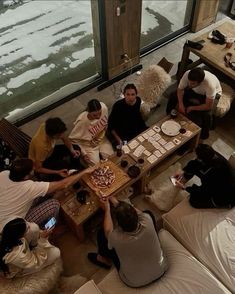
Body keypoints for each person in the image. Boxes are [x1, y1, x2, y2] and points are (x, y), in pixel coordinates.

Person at [88, 197, 168, 288]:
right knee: (148, 213)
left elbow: (107, 230)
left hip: (134, 281)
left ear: (119, 225)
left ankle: (104, 260)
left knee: (102, 235)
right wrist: (118, 204)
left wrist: (107, 209)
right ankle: (149, 239)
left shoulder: (116, 238)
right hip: (161, 269)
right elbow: (137, 212)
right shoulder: (147, 219)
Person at [0, 158, 94, 229]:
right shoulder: (29, 187)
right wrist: (84, 171)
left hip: (6, 211)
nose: (35, 169)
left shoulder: (4, 174)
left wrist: (57, 172)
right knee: (54, 204)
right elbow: (64, 185)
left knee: (45, 193)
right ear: (25, 177)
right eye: (32, 170)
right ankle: (49, 228)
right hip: (12, 227)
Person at [166, 68, 222, 140]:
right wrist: (180, 104)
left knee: (207, 114)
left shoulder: (209, 84)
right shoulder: (187, 74)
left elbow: (208, 106)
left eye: (192, 83)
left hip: (211, 95)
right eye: (189, 82)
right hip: (195, 90)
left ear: (200, 82)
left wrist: (192, 108)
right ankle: (168, 114)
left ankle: (204, 135)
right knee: (173, 95)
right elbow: (180, 89)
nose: (189, 84)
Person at [174, 144, 235, 208]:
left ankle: (227, 205)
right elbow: (196, 162)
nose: (197, 158)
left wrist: (184, 188)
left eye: (198, 157)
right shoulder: (212, 154)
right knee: (194, 166)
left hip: (226, 196)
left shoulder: (212, 174)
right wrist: (183, 171)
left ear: (202, 160)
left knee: (194, 201)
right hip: (221, 182)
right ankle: (185, 176)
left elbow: (205, 191)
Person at [69, 99, 114, 166]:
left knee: (112, 158)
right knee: (96, 167)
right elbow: (73, 139)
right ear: (89, 112)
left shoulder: (104, 107)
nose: (98, 117)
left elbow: (105, 124)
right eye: (95, 115)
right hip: (88, 145)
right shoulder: (82, 121)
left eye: (100, 113)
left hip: (101, 139)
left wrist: (103, 133)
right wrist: (83, 154)